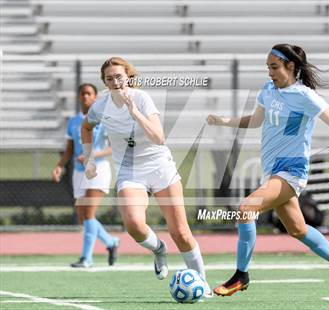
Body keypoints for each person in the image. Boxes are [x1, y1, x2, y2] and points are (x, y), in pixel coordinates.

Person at [207, 44, 329, 296]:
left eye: (274, 67)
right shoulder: (268, 90)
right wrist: (225, 121)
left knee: (246, 209)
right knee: (297, 229)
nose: (270, 73)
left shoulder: (305, 96)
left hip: (291, 169)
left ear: (291, 67)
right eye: (268, 67)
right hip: (272, 171)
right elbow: (255, 121)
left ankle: (241, 275)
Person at [80, 57, 212, 297]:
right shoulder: (100, 106)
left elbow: (159, 137)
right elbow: (86, 127)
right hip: (130, 171)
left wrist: (135, 112)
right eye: (109, 78)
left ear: (128, 76)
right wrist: (89, 158)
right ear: (104, 82)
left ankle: (202, 284)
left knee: (181, 233)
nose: (115, 82)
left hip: (160, 167)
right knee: (133, 224)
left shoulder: (142, 98)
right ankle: (159, 249)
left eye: (119, 76)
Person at [52, 83, 119, 268]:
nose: (85, 97)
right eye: (82, 93)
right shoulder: (73, 122)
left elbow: (113, 147)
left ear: (95, 97)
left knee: (89, 213)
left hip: (98, 171)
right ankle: (111, 242)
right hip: (78, 172)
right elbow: (69, 150)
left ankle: (86, 258)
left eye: (89, 93)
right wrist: (59, 166)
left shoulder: (104, 119)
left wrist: (92, 155)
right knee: (83, 217)